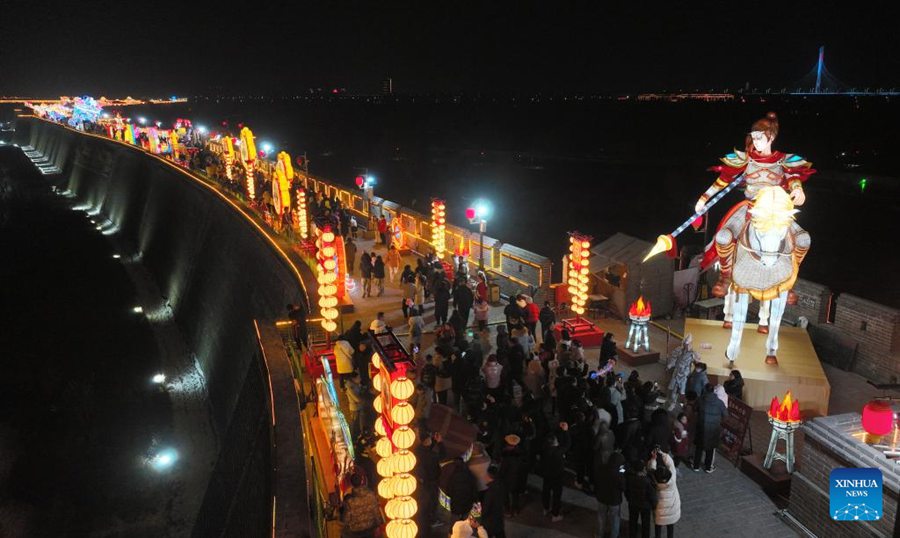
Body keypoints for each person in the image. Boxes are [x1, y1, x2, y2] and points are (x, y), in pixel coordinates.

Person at [693, 112, 815, 297]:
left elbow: (793, 177)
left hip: (775, 212)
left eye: (759, 137)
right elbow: (723, 180)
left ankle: (791, 279)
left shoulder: (784, 160)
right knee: (723, 238)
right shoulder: (746, 159)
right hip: (750, 208)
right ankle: (725, 276)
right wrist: (703, 198)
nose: (755, 140)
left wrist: (798, 190)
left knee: (803, 240)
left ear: (771, 137)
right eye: (753, 136)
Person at [693, 384, 728, 473]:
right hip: (713, 429)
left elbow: (694, 409)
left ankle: (696, 466)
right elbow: (726, 415)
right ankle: (708, 467)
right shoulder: (719, 402)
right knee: (711, 448)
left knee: (699, 448)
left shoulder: (700, 400)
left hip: (701, 426)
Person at [541, 422, 571, 522]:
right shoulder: (558, 451)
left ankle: (545, 508)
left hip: (546, 474)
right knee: (556, 495)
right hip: (557, 476)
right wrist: (566, 431)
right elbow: (568, 444)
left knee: (546, 491)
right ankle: (555, 514)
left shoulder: (545, 449)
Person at [648, 450, 680, 538]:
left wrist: (654, 459)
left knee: (658, 529)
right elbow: (671, 464)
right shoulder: (672, 479)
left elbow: (651, 470)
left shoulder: (654, 482)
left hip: (659, 511)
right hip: (672, 509)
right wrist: (662, 454)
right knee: (670, 529)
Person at [340, 471, 383, 537]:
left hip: (355, 533)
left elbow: (346, 520)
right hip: (370, 530)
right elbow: (377, 513)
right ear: (362, 481)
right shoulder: (371, 495)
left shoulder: (349, 501)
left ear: (351, 484)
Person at [594, 450, 625, 538]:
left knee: (601, 517)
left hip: (601, 498)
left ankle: (599, 534)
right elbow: (623, 487)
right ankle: (614, 535)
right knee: (615, 519)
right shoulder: (619, 474)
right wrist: (622, 470)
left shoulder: (602, 469)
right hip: (614, 500)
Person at [624, 458, 656, 538]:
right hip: (645, 506)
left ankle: (632, 535)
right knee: (645, 525)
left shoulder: (630, 478)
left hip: (633, 504)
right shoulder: (646, 481)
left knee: (632, 522)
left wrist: (629, 499)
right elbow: (651, 495)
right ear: (643, 469)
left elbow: (626, 491)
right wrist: (654, 505)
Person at [666, 334, 698, 410]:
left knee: (682, 391)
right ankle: (672, 403)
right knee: (673, 389)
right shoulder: (679, 350)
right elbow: (674, 359)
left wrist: (696, 360)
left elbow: (697, 363)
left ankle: (683, 404)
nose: (686, 345)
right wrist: (669, 365)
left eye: (687, 344)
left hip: (684, 374)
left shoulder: (693, 354)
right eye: (685, 344)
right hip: (677, 372)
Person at [481, 465, 506, 538]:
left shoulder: (490, 492)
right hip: (499, 519)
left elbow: (486, 509)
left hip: (490, 522)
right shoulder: (501, 485)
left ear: (489, 476)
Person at [344, 372, 364, 438]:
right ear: (354, 378)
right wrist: (362, 400)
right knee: (354, 423)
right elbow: (356, 398)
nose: (360, 379)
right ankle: (351, 436)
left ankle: (359, 435)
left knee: (359, 422)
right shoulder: (350, 387)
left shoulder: (355, 384)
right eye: (358, 377)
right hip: (354, 408)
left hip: (359, 406)